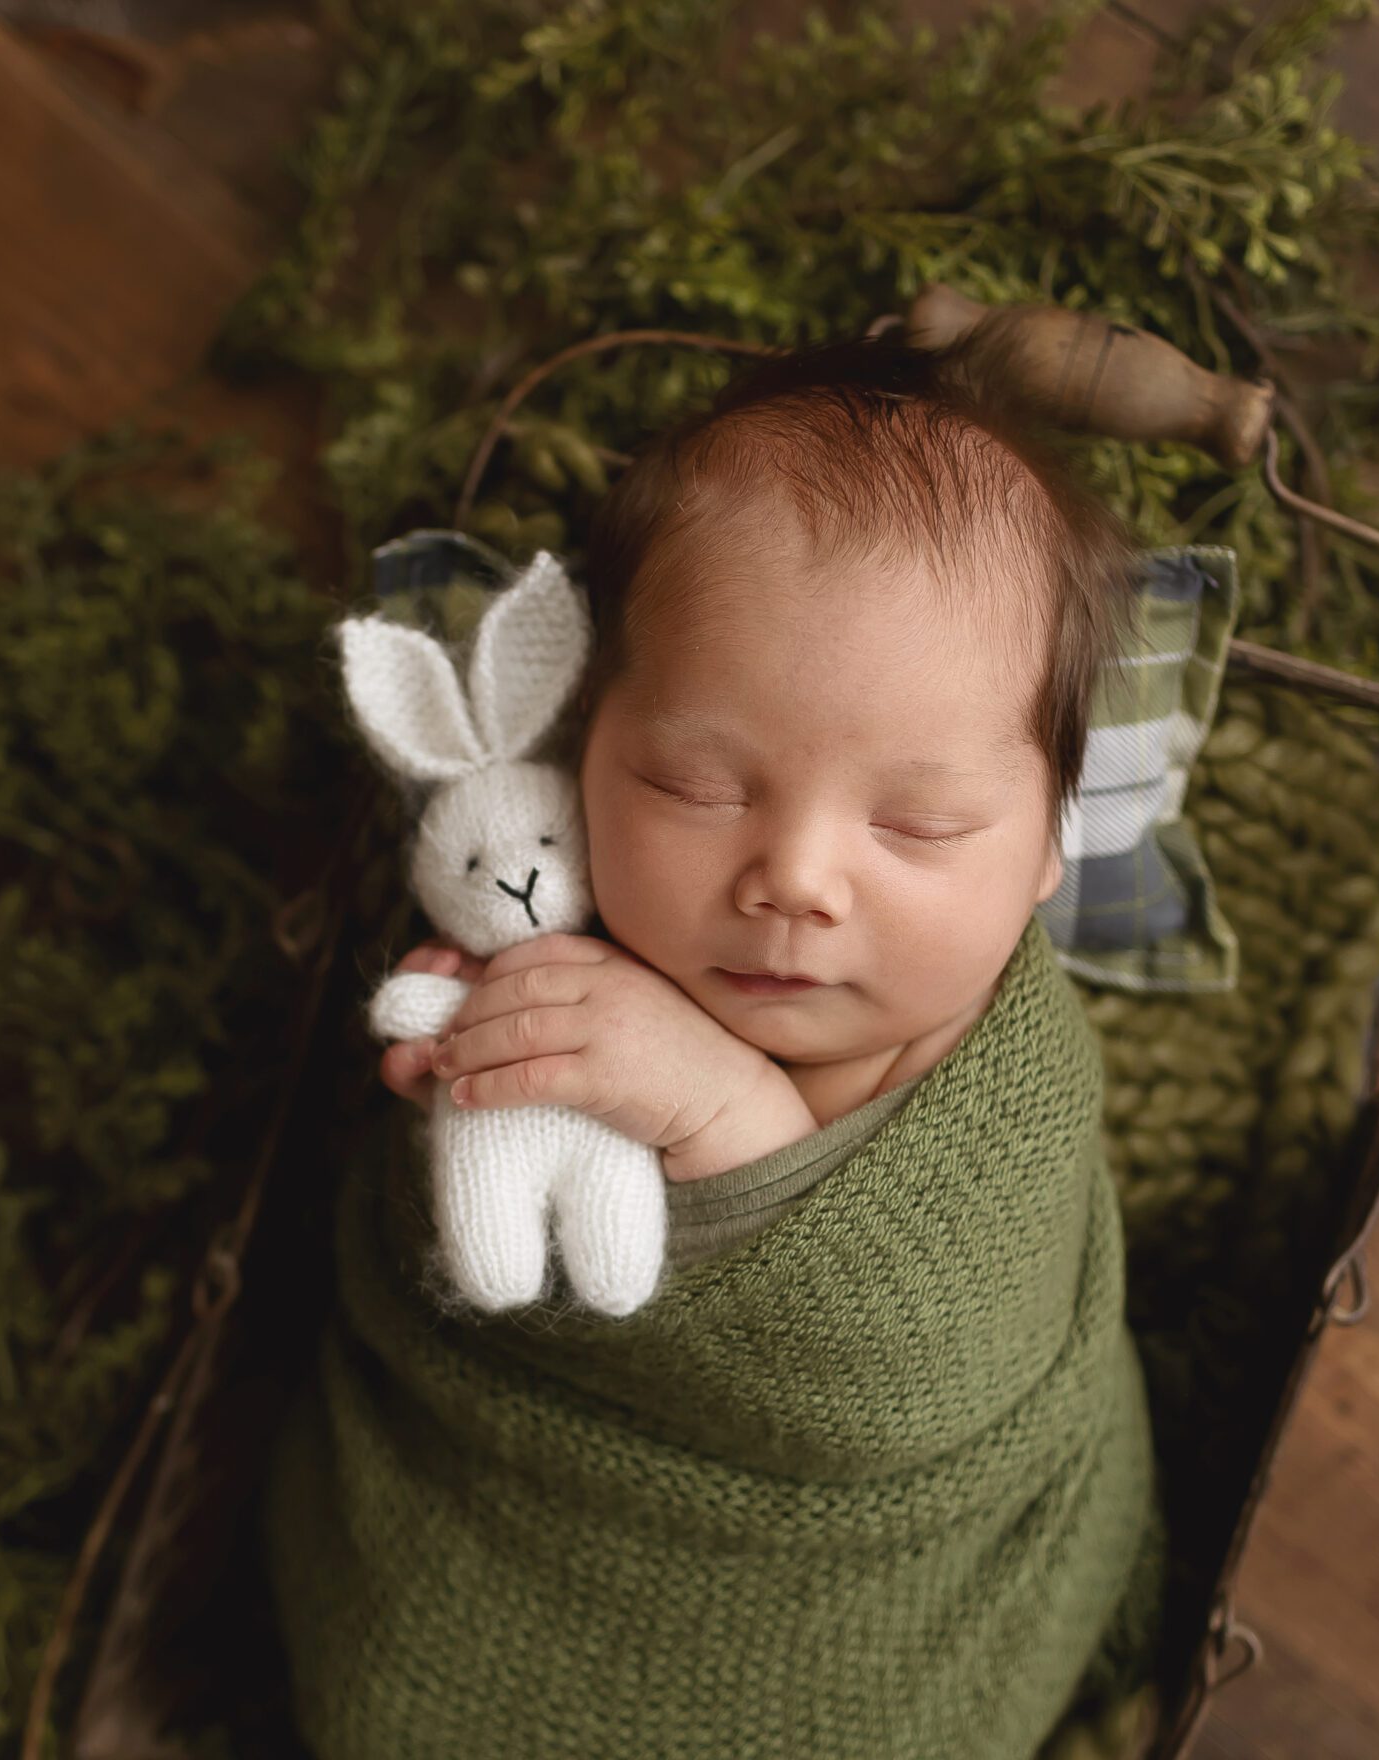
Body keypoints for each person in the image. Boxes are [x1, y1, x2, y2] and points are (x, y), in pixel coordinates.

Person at [265, 323, 1169, 1760]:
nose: (796, 879)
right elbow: (435, 1267)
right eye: (693, 783)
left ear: (1047, 846)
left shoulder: (998, 1088)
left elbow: (924, 1369)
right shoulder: (562, 916)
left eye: (919, 824)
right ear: (582, 749)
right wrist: (471, 1082)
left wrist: (719, 1112)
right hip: (491, 1519)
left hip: (873, 1609)